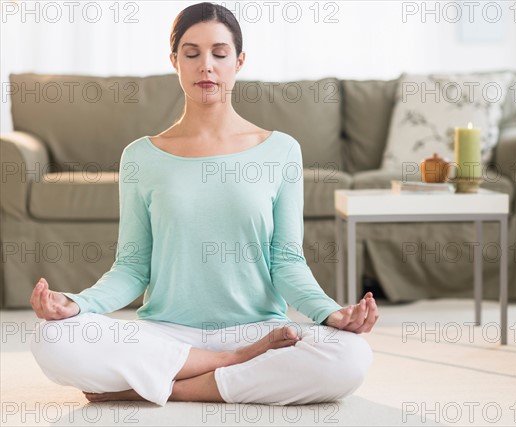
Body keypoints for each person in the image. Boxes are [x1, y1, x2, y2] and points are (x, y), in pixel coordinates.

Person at [29, 2, 378, 406]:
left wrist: (330, 313)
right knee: (52, 337)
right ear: (174, 61)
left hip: (257, 329)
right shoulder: (141, 156)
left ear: (239, 60)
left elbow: (286, 261)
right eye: (192, 54)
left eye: (219, 53)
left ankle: (171, 385)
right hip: (167, 332)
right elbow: (130, 268)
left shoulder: (281, 150)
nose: (206, 66)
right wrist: (76, 304)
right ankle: (230, 363)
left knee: (350, 357)